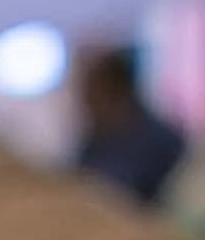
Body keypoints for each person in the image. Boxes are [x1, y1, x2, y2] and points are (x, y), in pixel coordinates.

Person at [74, 45, 186, 208]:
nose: (85, 103)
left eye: (91, 94)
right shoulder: (94, 142)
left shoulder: (162, 142)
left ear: (117, 91)